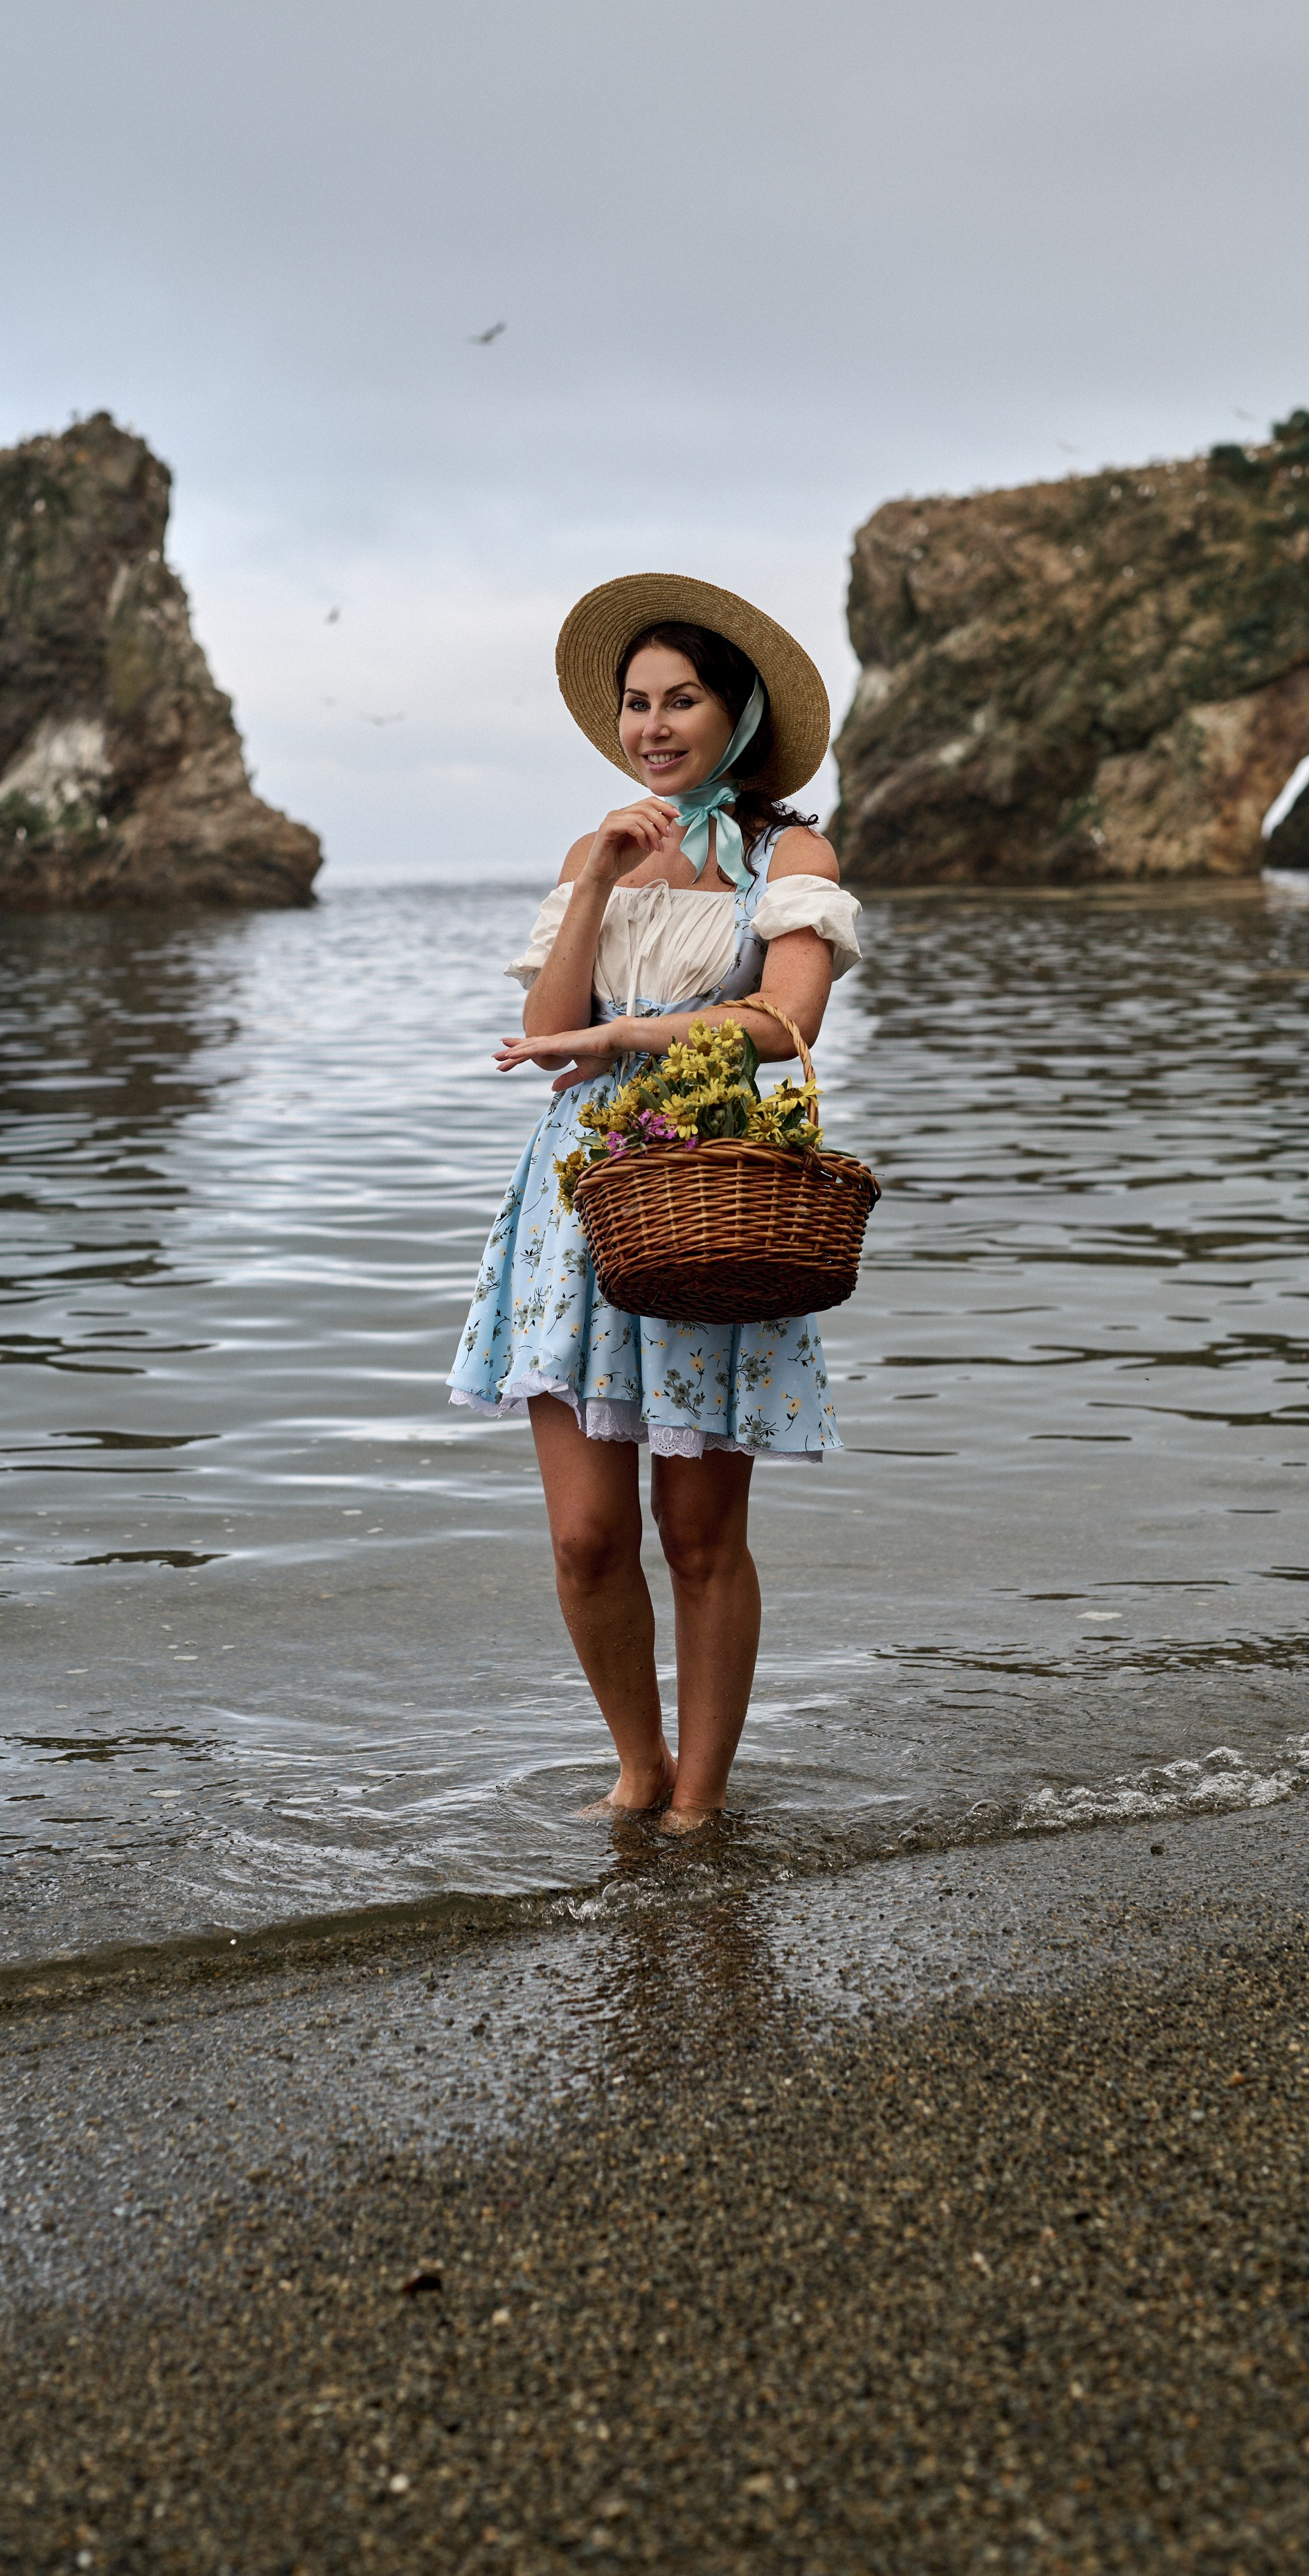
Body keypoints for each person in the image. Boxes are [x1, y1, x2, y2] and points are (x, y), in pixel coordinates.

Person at [447, 574, 864, 1830]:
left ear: (734, 715)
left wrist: (628, 1031)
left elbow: (783, 1018)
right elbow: (541, 1029)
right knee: (585, 1536)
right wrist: (596, 886)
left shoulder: (791, 856)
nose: (654, 726)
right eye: (636, 704)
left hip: (705, 1182)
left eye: (682, 700)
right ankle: (635, 1768)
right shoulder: (602, 846)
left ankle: (702, 1795)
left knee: (697, 1530)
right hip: (574, 1206)